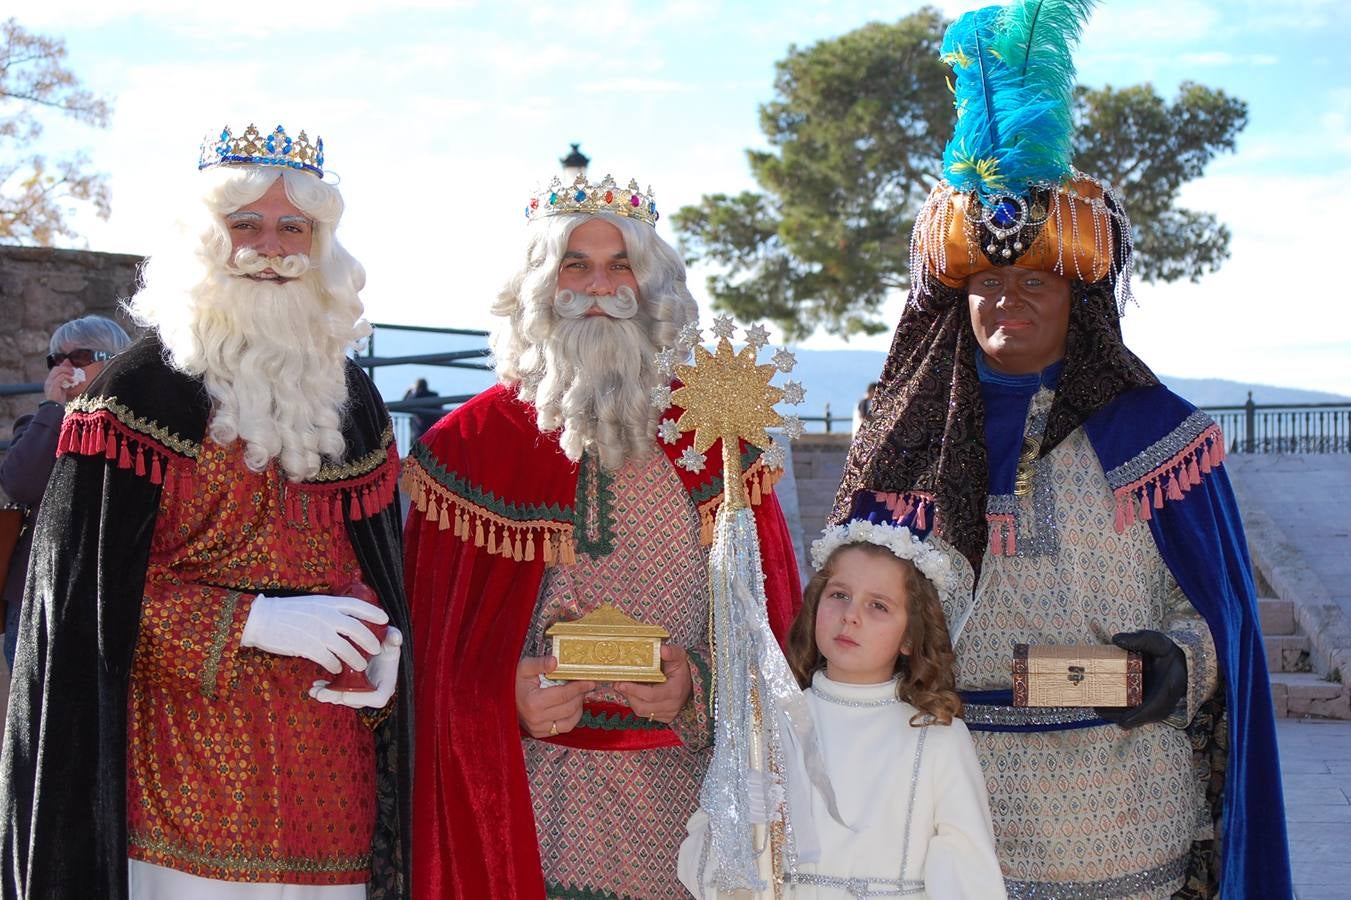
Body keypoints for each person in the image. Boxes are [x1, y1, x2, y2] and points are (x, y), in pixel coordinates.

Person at [831, 3, 1289, 898]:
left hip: (1120, 817)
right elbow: (844, 606)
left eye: (1034, 279)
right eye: (987, 280)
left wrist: (1177, 662)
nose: (1007, 298)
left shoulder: (1161, 439)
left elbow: (1220, 617)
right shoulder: (896, 440)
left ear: (1078, 299)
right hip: (938, 806)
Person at [0, 123, 412, 899]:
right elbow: (84, 595)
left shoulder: (354, 398)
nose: (272, 247)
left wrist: (387, 645)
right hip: (179, 787)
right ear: (205, 239)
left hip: (331, 785)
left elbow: (376, 563)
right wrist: (253, 622)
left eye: (294, 228)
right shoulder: (134, 394)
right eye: (246, 224)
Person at [402, 173, 803, 900]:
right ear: (537, 285)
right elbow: (427, 655)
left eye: (621, 265)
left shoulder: (718, 436)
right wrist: (501, 693)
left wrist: (698, 684)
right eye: (574, 265)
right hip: (530, 805)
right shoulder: (466, 449)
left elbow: (775, 630)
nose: (598, 287)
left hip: (693, 814)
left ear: (653, 287)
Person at [678, 520, 1005, 899]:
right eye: (839, 595)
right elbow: (701, 866)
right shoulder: (769, 725)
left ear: (910, 637)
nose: (851, 615)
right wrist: (739, 823)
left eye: (878, 605)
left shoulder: (936, 738)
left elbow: (967, 872)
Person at [1, 315, 131, 668]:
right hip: (37, 595)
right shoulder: (42, 424)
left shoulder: (138, 430)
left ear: (112, 361)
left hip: (105, 594)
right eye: (56, 359)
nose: (65, 368)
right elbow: (20, 482)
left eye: (80, 357)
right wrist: (53, 409)